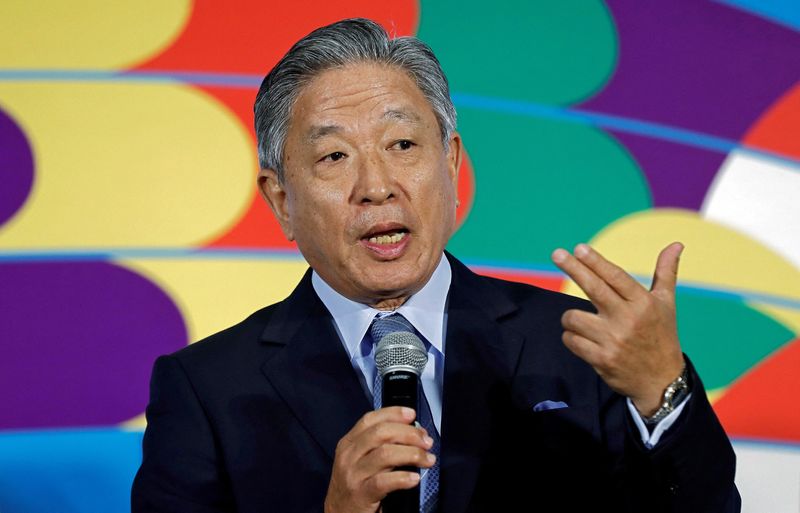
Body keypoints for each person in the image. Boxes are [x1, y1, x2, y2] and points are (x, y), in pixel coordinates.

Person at [131, 18, 740, 513]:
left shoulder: (580, 349)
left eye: (402, 145)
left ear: (450, 164)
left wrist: (664, 389)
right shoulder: (208, 390)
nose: (376, 187)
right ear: (282, 200)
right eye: (335, 156)